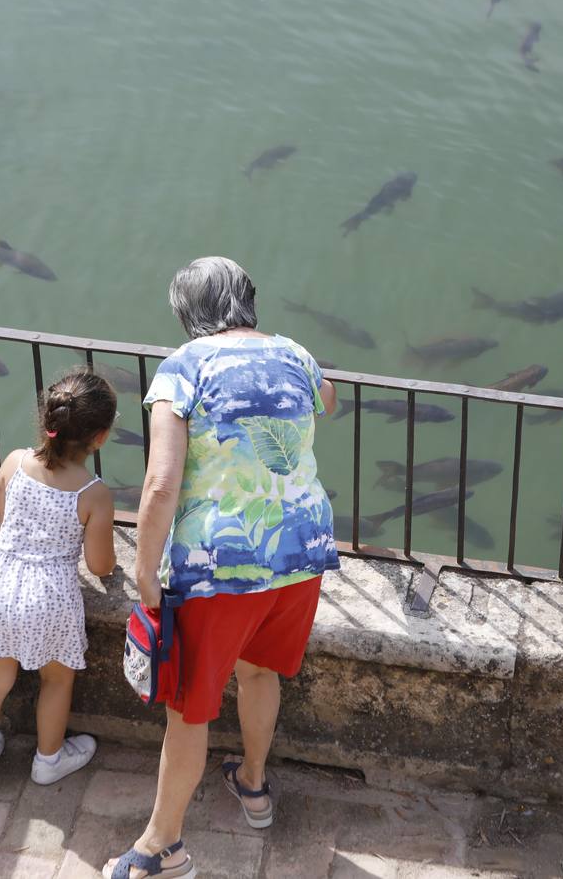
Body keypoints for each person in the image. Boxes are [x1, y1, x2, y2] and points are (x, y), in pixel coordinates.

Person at [105, 256, 338, 879]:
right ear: (248, 300)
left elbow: (159, 484)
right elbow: (329, 400)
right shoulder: (294, 351)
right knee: (261, 676)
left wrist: (145, 570)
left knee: (189, 707)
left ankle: (161, 849)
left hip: (221, 564)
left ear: (189, 314)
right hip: (300, 554)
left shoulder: (183, 369)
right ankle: (254, 786)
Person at [0, 368, 118, 790]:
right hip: (50, 597)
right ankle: (48, 760)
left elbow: (2, 516)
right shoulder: (92, 494)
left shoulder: (14, 461)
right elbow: (100, 565)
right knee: (57, 679)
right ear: (99, 437)